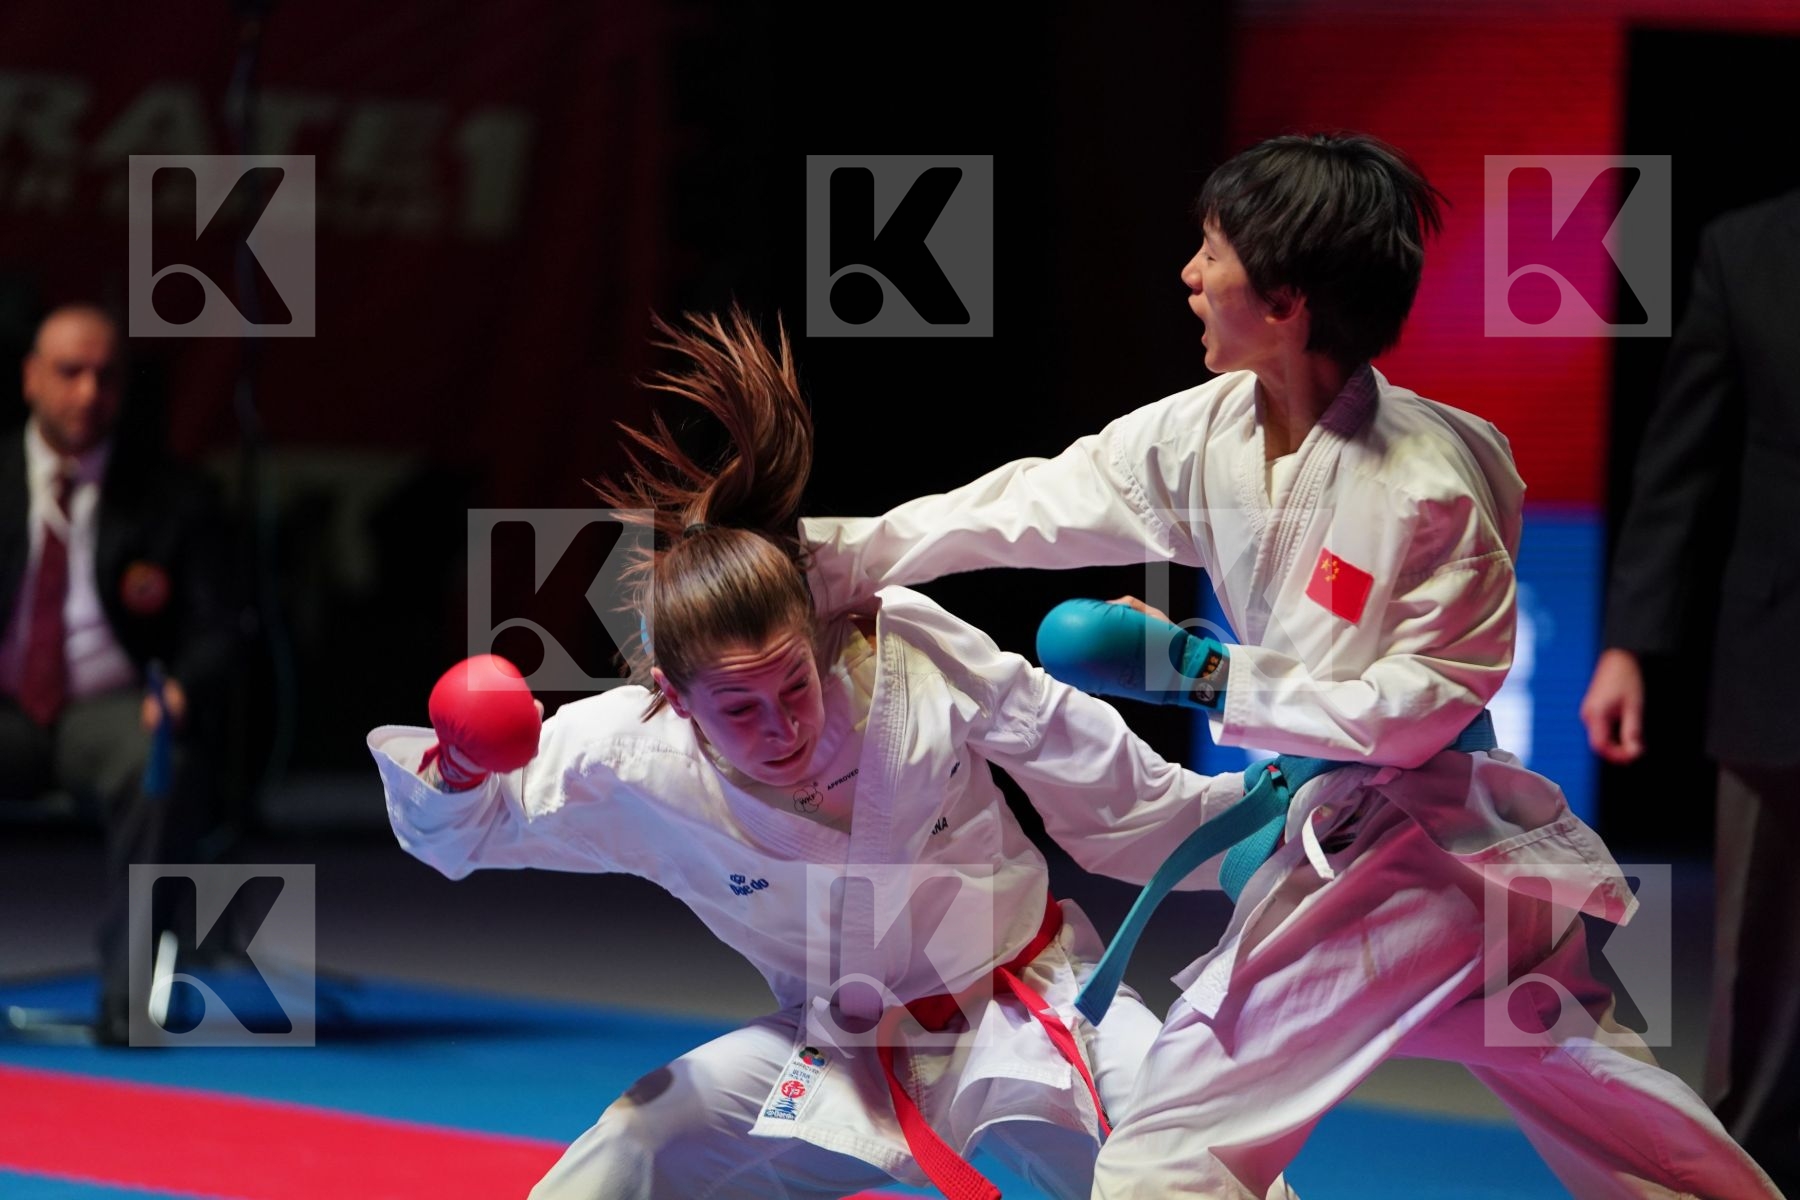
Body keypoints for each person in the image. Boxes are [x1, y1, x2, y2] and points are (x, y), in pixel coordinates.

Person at [802, 134, 1782, 1198]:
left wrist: (1208, 676)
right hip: (1425, 868)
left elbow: (1428, 704)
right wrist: (828, 557)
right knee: (1624, 1124)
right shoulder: (1211, 431)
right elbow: (1029, 503)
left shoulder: (1427, 481)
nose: (1189, 274)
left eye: (1212, 253)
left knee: (1172, 1148)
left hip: (1411, 850)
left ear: (1286, 303)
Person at [368, 308, 1259, 1200]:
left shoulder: (907, 653)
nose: (782, 725)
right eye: (740, 707)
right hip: (845, 1050)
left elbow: (1112, 788)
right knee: (635, 1145)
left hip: (1028, 1000)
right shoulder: (631, 753)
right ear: (675, 699)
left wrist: (1268, 816)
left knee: (1194, 1173)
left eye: (795, 684)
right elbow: (462, 831)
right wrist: (460, 765)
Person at [1581, 186, 1800, 1197]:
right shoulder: (1746, 247)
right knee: (1761, 965)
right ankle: (1747, 1175)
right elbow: (1682, 465)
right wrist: (1630, 642)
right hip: (1777, 654)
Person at [0, 303, 235, 1045]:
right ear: (31, 379)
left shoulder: (173, 495)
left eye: (106, 377)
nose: (87, 393)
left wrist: (179, 688)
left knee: (157, 761)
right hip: (6, 708)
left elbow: (219, 626)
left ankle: (131, 1000)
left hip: (108, 710)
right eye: (70, 373)